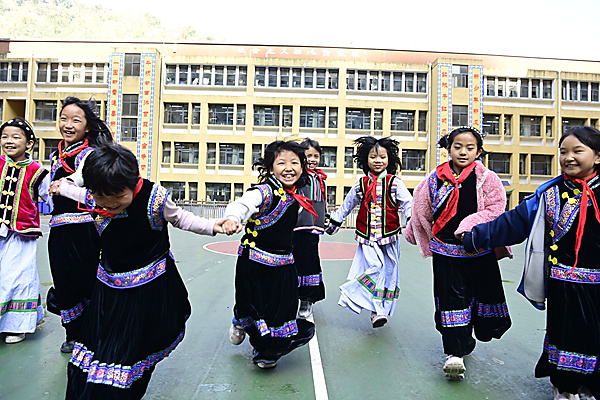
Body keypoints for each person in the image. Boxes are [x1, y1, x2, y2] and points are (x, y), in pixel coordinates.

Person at [52, 144, 235, 399]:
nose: (110, 203)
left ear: (132, 182)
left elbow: (182, 218)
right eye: (101, 197)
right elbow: (75, 191)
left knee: (135, 347)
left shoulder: (155, 198)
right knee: (100, 348)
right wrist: (60, 186)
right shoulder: (96, 194)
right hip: (109, 291)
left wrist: (213, 225)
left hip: (149, 290)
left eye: (118, 195)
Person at [460, 126, 600, 399]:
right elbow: (513, 222)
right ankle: (565, 387)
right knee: (566, 335)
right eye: (563, 152)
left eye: (577, 151)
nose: (569, 157)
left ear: (597, 157)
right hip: (563, 284)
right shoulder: (549, 193)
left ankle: (590, 384)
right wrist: (474, 236)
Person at [404, 126, 512, 379]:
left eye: (470, 148)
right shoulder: (434, 179)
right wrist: (416, 230)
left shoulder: (488, 178)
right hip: (446, 252)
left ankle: (469, 337)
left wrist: (468, 224)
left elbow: (496, 208)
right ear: (448, 149)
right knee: (452, 301)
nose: (463, 152)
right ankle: (455, 352)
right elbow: (422, 208)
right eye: (458, 147)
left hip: (478, 251)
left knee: (482, 298)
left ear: (479, 151)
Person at [223, 140, 316, 369]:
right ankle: (240, 321)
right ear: (271, 167)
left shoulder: (296, 194)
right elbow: (242, 204)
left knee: (282, 309)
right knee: (253, 305)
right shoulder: (262, 192)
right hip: (255, 264)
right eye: (282, 163)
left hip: (284, 264)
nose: (289, 168)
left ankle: (266, 351)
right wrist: (233, 218)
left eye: (295, 162)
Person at [46, 96, 113, 353]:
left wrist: (66, 184)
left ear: (87, 126)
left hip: (84, 229)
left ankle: (93, 333)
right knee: (64, 282)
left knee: (87, 281)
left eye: (76, 120)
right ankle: (73, 333)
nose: (68, 125)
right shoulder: (56, 155)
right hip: (58, 230)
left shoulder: (90, 154)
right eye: (64, 118)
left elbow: (83, 178)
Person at [325, 136, 412, 328]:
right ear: (366, 160)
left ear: (389, 159)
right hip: (368, 237)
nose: (378, 160)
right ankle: (354, 294)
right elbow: (347, 204)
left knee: (389, 272)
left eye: (382, 157)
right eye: (373, 157)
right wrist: (334, 223)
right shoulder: (361, 184)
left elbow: (408, 203)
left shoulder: (395, 183)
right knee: (376, 267)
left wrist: (412, 221)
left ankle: (377, 311)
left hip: (389, 237)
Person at [0, 117, 51, 344]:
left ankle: (17, 325)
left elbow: (51, 197)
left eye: (15, 137)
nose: (9, 141)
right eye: (4, 137)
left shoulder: (37, 172)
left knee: (19, 278)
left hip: (22, 234)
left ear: (29, 143)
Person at [293, 138, 327, 319]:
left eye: (316, 156)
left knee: (310, 262)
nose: (312, 159)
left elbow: (322, 201)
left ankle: (306, 300)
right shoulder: (298, 176)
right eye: (308, 156)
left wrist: (325, 218)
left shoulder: (321, 178)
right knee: (293, 264)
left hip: (313, 229)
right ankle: (291, 298)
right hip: (296, 228)